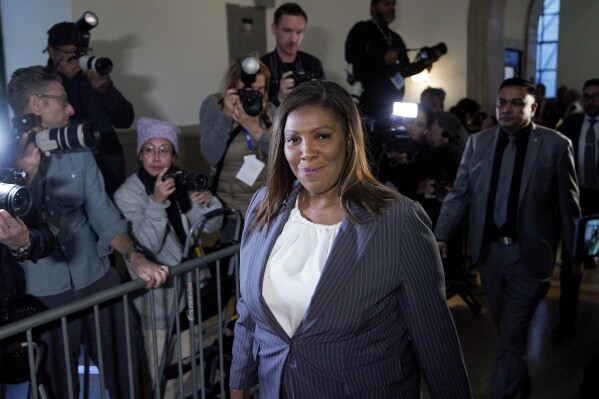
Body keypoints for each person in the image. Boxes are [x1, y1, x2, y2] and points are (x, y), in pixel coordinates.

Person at [229, 80, 471, 398]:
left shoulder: (398, 220)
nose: (307, 153)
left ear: (349, 140)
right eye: (294, 139)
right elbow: (248, 314)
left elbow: (435, 341)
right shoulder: (264, 205)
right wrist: (238, 387)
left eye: (322, 136)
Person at [7, 65, 168, 399]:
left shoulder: (77, 148)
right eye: (62, 100)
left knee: (130, 376)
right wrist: (24, 175)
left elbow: (102, 212)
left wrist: (133, 256)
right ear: (36, 104)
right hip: (41, 294)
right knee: (57, 385)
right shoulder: (5, 158)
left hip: (96, 277)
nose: (71, 108)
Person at [434, 77, 581, 398]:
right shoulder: (478, 143)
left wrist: (575, 256)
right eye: (502, 103)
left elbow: (569, 208)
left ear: (534, 108)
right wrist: (441, 235)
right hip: (489, 255)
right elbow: (459, 194)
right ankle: (519, 388)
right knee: (507, 334)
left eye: (517, 103)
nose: (507, 109)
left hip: (531, 256)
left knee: (512, 332)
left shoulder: (555, 146)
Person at [114, 117, 223, 398]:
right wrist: (157, 203)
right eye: (149, 149)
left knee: (188, 365)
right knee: (158, 371)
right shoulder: (127, 194)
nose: (156, 157)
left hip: (191, 292)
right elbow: (144, 245)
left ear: (174, 155)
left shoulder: (181, 181)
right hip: (155, 298)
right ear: (139, 154)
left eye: (164, 150)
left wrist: (207, 202)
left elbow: (211, 227)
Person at [45, 21, 134, 197]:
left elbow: (126, 119)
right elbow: (44, 123)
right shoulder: (42, 82)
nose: (77, 59)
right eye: (70, 53)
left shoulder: (93, 78)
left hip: (107, 164)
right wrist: (63, 81)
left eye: (80, 53)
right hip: (65, 165)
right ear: (51, 51)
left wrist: (105, 90)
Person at [199, 57, 276, 242]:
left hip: (266, 210)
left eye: (260, 90)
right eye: (248, 90)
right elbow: (211, 155)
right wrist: (226, 115)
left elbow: (282, 155)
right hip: (231, 213)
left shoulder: (269, 109)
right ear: (232, 86)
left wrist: (256, 130)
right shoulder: (214, 105)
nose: (254, 95)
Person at [345, 0, 433, 129]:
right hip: (367, 106)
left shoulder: (395, 38)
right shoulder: (363, 29)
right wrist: (382, 59)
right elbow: (352, 56)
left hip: (392, 109)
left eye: (393, 5)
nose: (391, 8)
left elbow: (404, 70)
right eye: (386, 4)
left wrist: (423, 64)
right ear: (374, 7)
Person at [557, 78, 599, 340]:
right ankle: (565, 323)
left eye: (596, 96)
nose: (591, 101)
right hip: (577, 200)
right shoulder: (571, 124)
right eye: (587, 96)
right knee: (571, 265)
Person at [261, 3, 325, 107]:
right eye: (287, 31)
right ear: (274, 29)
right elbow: (254, 113)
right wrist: (279, 98)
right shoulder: (262, 66)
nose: (293, 39)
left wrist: (317, 94)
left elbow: (325, 106)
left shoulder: (313, 64)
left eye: (299, 32)